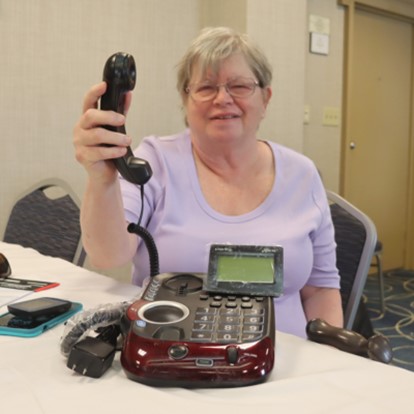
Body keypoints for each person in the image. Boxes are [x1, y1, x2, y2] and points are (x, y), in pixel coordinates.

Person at [73, 26, 343, 338]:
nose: (223, 99)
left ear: (265, 99)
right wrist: (102, 178)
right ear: (185, 102)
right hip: (168, 356)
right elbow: (107, 256)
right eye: (205, 87)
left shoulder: (303, 174)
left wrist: (328, 365)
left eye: (239, 86)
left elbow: (321, 290)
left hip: (284, 363)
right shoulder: (154, 162)